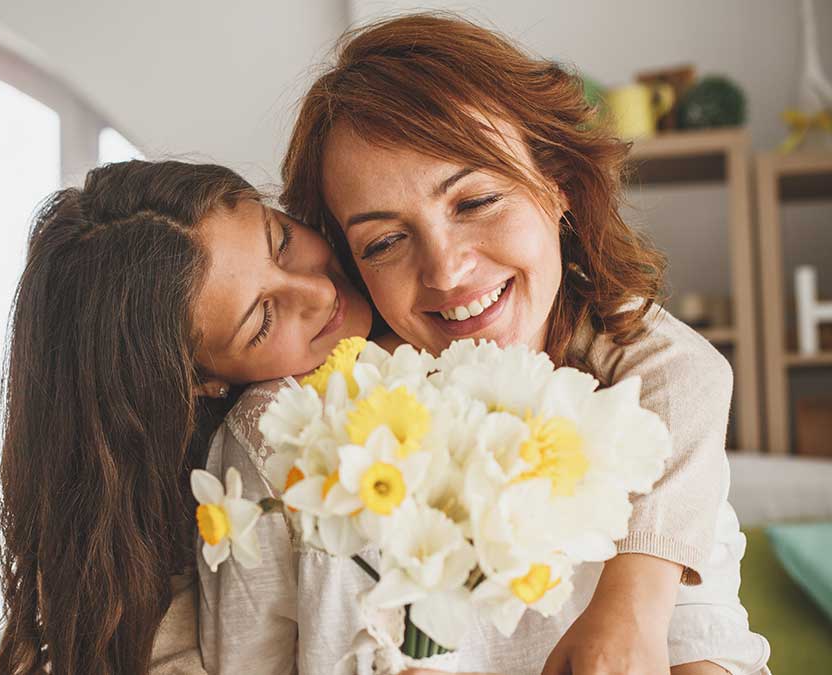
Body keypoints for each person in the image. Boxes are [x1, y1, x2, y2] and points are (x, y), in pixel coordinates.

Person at [198, 12, 770, 675]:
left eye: (475, 202)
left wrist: (640, 613)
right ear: (353, 266)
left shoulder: (653, 398)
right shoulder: (286, 435)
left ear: (555, 182)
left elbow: (708, 635)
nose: (445, 270)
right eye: (385, 241)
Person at [0, 159, 374, 675]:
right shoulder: (258, 460)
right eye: (260, 321)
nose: (320, 292)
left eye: (281, 241)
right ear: (200, 383)